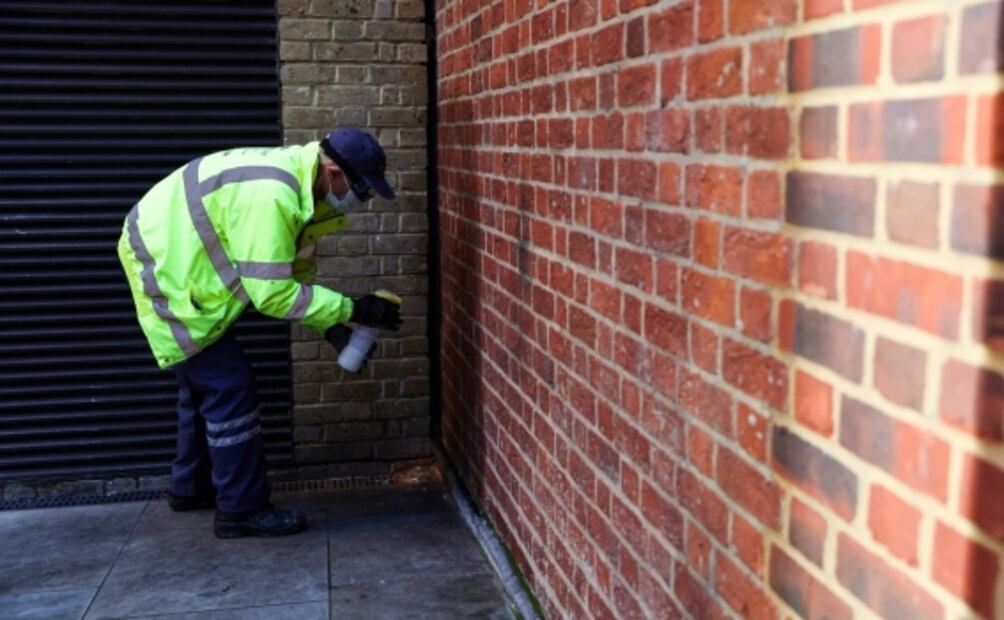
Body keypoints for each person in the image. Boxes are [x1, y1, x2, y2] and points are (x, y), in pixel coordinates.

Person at [117, 128, 403, 538]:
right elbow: (272, 295)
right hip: (167, 269)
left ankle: (191, 488)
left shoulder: (306, 194)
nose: (358, 200)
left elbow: (296, 274)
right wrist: (354, 308)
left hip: (174, 258)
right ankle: (241, 510)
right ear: (334, 170)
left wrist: (333, 329)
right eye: (359, 189)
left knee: (201, 384)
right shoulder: (274, 196)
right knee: (229, 385)